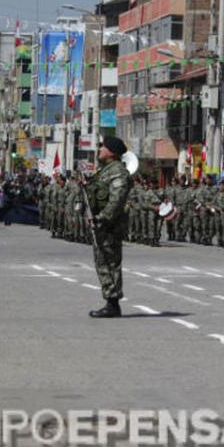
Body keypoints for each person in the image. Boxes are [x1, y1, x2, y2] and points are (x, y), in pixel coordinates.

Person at [85, 136, 131, 318]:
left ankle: (113, 303)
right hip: (102, 224)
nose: (100, 149)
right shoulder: (106, 170)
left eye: (103, 147)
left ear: (111, 152)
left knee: (109, 262)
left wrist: (102, 218)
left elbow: (117, 199)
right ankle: (111, 301)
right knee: (103, 262)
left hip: (110, 225)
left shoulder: (117, 172)